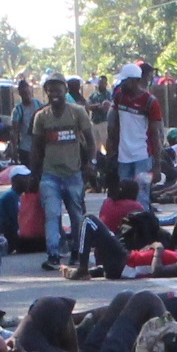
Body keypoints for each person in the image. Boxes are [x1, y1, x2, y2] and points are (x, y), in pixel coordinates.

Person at [31, 80, 97, 270]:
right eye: (50, 90)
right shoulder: (41, 117)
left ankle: (77, 251)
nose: (54, 94)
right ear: (46, 93)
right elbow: (36, 147)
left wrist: (91, 164)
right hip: (50, 174)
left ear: (65, 91)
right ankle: (53, 254)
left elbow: (91, 141)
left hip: (73, 173)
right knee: (52, 214)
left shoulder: (77, 112)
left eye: (58, 90)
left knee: (76, 215)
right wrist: (34, 173)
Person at [107, 69, 156, 189]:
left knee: (142, 192)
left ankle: (142, 209)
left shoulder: (149, 101)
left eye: (125, 81)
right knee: (125, 193)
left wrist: (157, 164)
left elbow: (155, 132)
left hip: (143, 155)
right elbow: (114, 124)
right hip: (123, 156)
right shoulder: (119, 97)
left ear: (136, 81)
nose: (122, 84)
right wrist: (112, 147)